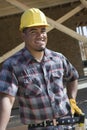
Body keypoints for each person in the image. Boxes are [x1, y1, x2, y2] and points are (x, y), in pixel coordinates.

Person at [0, 8, 83, 130]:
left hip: (67, 126)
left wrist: (72, 100)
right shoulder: (12, 65)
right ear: (23, 34)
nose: (40, 35)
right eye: (33, 31)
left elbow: (73, 77)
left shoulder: (58, 58)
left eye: (43, 30)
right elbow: (7, 99)